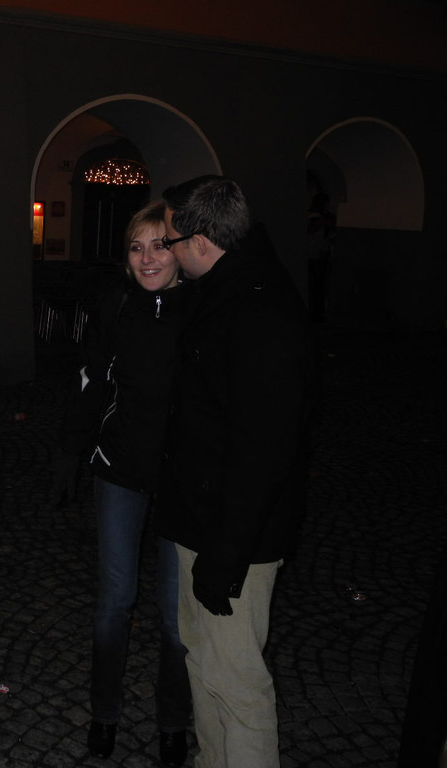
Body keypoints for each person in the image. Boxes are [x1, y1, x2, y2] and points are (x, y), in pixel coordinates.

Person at [157, 176, 312, 768]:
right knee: (205, 663)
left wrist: (227, 554)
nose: (168, 253)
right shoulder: (224, 291)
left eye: (171, 242)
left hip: (235, 537)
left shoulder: (259, 308)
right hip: (205, 521)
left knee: (238, 681)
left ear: (201, 242)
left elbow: (264, 450)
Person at [53, 201, 193, 766]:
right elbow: (92, 382)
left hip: (182, 478)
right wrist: (71, 448)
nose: (148, 258)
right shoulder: (115, 306)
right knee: (115, 600)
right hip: (119, 468)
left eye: (160, 245)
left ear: (180, 251)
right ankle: (104, 713)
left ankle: (173, 721)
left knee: (175, 614)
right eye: (137, 247)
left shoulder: (203, 309)